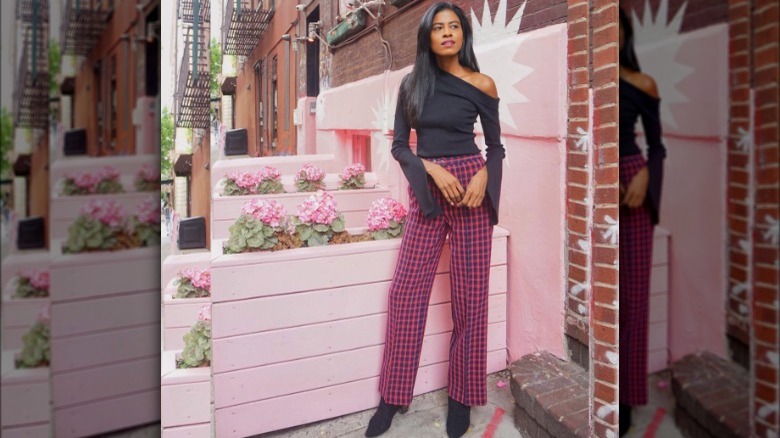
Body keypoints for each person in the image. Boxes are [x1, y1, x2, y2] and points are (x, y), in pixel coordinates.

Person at [365, 3, 504, 438]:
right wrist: (430, 168)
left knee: (470, 298)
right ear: (427, 37)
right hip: (429, 188)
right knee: (406, 293)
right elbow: (401, 148)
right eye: (438, 28)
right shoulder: (412, 84)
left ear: (464, 34)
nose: (447, 33)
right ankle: (392, 397)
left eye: (454, 27)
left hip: (471, 189)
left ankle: (461, 398)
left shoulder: (482, 83)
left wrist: (483, 173)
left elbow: (497, 148)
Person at [618, 7, 666, 436]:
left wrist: (646, 178)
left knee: (634, 295)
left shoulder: (641, 84)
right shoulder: (587, 85)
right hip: (593, 181)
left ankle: (627, 395)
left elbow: (657, 147)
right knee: (603, 294)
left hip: (632, 182)